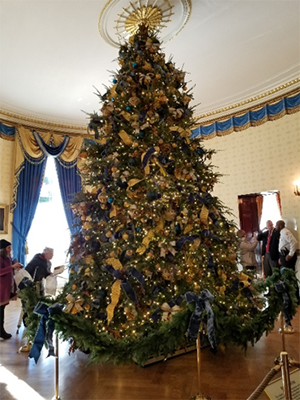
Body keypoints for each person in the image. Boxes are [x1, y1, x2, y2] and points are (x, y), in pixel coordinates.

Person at [275, 220, 299, 333]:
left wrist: (290, 255)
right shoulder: (282, 233)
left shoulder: (285, 232)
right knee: (285, 276)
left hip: (288, 256)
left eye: (276, 225)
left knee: (289, 278)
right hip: (284, 255)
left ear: (280, 225)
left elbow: (294, 242)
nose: (276, 227)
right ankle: (288, 298)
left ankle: (292, 298)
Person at [0, 239, 23, 339]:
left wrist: (15, 267)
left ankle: (1, 330)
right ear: (3, 249)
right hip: (0, 287)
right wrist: (12, 267)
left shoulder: (8, 257)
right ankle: (1, 331)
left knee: (2, 309)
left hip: (6, 287)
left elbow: (9, 270)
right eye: (8, 248)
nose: (10, 250)